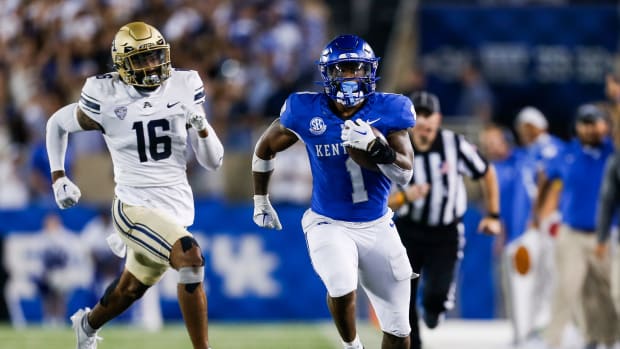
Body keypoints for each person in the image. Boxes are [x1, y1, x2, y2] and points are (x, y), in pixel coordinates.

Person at [45, 22, 223, 349]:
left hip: (175, 208)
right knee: (190, 257)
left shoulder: (184, 85)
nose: (151, 65)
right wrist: (59, 176)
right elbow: (57, 122)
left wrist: (202, 127)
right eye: (141, 60)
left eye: (156, 56)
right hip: (132, 206)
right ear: (122, 66)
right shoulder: (107, 95)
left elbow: (213, 161)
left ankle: (86, 326)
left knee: (130, 289)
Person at [251, 34, 416, 349]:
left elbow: (405, 174)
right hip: (329, 221)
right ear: (328, 74)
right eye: (343, 69)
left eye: (357, 68)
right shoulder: (304, 109)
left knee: (399, 330)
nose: (351, 77)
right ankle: (351, 346)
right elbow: (265, 147)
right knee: (341, 283)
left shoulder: (391, 109)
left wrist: (378, 149)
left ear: (370, 71)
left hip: (378, 226)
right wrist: (261, 199)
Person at [388, 91, 501, 349]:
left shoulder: (455, 145)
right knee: (404, 296)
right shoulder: (397, 147)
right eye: (418, 115)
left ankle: (434, 308)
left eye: (429, 115)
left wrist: (493, 215)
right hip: (408, 231)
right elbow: (382, 201)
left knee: (436, 296)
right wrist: (405, 197)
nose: (424, 121)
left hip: (445, 233)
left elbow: (486, 172)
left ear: (438, 119)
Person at [539, 104, 619, 349]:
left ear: (605, 126)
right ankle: (553, 343)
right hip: (571, 233)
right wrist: (539, 216)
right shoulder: (566, 153)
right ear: (577, 126)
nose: (590, 128)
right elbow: (547, 180)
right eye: (585, 123)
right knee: (566, 290)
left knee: (606, 293)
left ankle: (605, 338)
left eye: (595, 122)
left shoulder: (612, 153)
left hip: (607, 235)